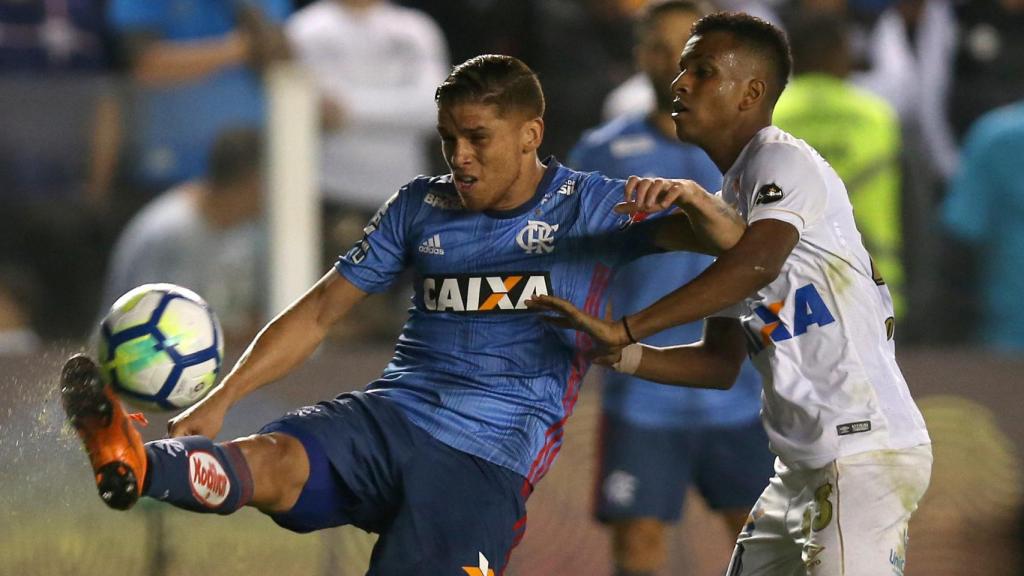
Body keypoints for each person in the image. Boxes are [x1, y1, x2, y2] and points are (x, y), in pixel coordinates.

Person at [59, 54, 747, 575]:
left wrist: (698, 199)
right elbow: (323, 310)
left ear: (531, 133)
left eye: (477, 138)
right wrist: (225, 395)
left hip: (485, 459)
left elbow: (734, 247)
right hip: (390, 414)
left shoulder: (594, 205)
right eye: (449, 140)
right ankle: (136, 463)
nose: (461, 158)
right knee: (274, 461)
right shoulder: (420, 205)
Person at [528, 13, 932, 575]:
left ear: (752, 93)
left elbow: (754, 264)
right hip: (801, 468)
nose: (680, 81)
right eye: (682, 68)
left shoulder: (783, 161)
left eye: (702, 69)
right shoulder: (736, 203)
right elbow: (718, 363)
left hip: (861, 453)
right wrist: (617, 351)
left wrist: (628, 325)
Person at [567, 2, 773, 575]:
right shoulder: (603, 152)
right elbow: (571, 252)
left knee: (763, 545)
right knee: (638, 546)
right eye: (661, 48)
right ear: (641, 56)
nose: (676, 64)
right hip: (641, 384)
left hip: (740, 388)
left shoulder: (760, 154)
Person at [773, 9, 906, 317]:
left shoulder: (769, 114)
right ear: (840, 53)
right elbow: (909, 207)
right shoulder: (878, 116)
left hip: (788, 295)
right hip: (870, 288)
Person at [99, 126, 266, 343]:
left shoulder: (250, 231)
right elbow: (145, 327)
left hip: (210, 362)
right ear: (251, 181)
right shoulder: (171, 231)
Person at [939, 100, 1024, 351]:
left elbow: (961, 232)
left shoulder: (997, 135)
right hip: (1004, 340)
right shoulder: (999, 137)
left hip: (1003, 338)